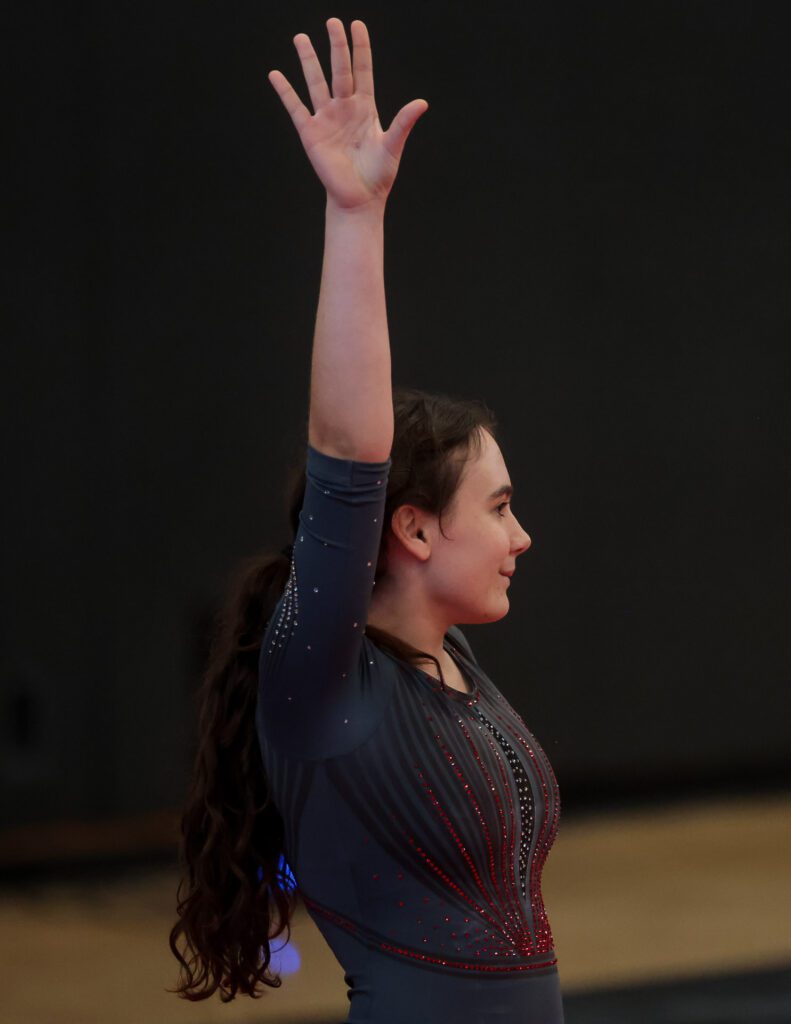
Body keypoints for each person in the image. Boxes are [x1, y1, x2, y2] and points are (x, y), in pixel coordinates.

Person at [169, 17, 564, 1023]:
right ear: (416, 530)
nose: (519, 536)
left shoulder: (449, 665)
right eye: (500, 506)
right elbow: (348, 463)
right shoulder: (319, 686)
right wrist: (355, 216)